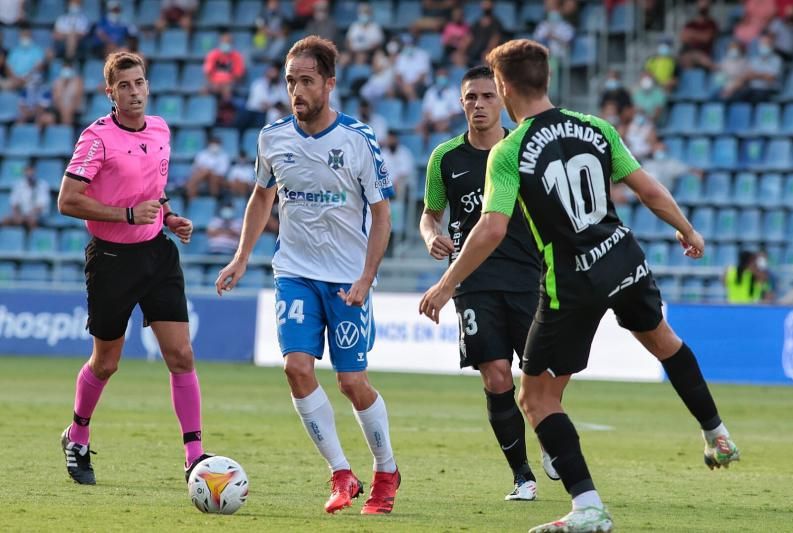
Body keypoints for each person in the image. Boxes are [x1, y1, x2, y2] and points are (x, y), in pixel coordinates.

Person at [419, 39, 740, 533]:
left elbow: (490, 228)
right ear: (546, 80)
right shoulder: (596, 127)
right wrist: (687, 228)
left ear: (503, 87)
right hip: (623, 256)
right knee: (663, 340)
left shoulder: (509, 150)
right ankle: (717, 433)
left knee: (535, 399)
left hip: (573, 279)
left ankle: (587, 507)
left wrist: (444, 285)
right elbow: (647, 188)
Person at [215, 35, 401, 515]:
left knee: (352, 382)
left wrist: (365, 277)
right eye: (291, 81)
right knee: (296, 368)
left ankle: (386, 470)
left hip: (345, 279)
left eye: (307, 81)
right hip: (294, 271)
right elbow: (262, 197)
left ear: (330, 84)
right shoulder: (272, 138)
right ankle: (342, 473)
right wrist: (241, 257)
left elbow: (382, 215)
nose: (297, 90)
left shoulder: (358, 140)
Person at [56, 51, 211, 486]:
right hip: (111, 261)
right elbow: (67, 201)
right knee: (106, 363)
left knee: (181, 355)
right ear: (111, 93)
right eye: (124, 86)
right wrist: (126, 215)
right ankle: (78, 435)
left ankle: (195, 455)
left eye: (139, 83)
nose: (134, 92)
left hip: (157, 255)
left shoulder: (161, 129)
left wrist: (169, 215)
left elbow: (152, 192)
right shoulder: (96, 138)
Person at [420, 66, 550, 502]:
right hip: (473, 282)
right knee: (496, 376)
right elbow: (429, 212)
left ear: (502, 99)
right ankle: (522, 477)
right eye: (470, 97)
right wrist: (430, 236)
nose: (478, 104)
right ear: (461, 103)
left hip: (529, 278)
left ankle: (552, 438)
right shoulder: (445, 158)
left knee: (537, 380)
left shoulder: (525, 150)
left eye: (487, 97)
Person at [2, 163, 50, 231]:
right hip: (21, 214)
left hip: (37, 215)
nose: (29, 174)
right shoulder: (18, 185)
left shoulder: (43, 185)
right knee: (5, 220)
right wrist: (17, 215)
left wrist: (27, 215)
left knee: (32, 221)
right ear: (24, 172)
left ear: (35, 172)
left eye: (31, 171)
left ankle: (32, 239)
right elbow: (14, 203)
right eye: (27, 171)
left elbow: (41, 207)